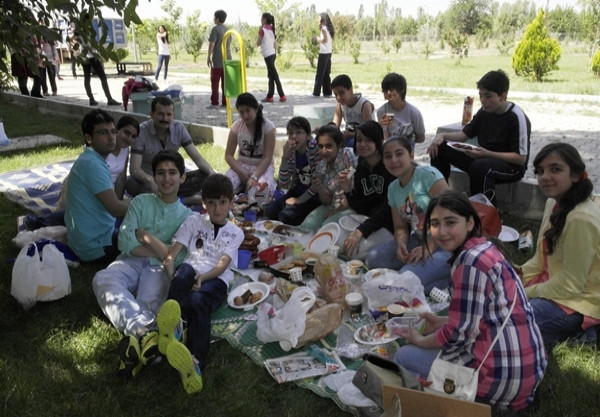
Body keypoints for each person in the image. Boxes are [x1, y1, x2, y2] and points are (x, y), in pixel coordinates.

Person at [392, 190, 547, 412]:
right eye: (435, 224)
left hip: (501, 382)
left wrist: (418, 339)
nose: (442, 232)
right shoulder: (485, 248)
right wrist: (441, 320)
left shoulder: (469, 264)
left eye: (450, 222)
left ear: (469, 222)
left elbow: (456, 335)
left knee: (404, 357)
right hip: (528, 370)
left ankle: (445, 403)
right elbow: (479, 316)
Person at [92, 150, 192, 379]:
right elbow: (124, 241)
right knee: (103, 278)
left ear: (182, 177)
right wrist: (162, 248)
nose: (166, 179)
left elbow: (176, 256)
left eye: (172, 173)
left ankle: (140, 339)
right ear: (154, 177)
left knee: (148, 303)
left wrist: (148, 237)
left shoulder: (188, 217)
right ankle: (147, 335)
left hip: (159, 269)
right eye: (161, 173)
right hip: (130, 261)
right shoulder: (140, 202)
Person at [158, 173, 244, 394]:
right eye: (212, 203)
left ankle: (195, 364)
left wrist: (203, 278)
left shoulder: (236, 233)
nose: (217, 209)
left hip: (215, 280)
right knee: (184, 270)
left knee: (197, 301)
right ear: (203, 203)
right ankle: (172, 329)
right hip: (189, 273)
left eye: (223, 202)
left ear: (231, 203)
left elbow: (224, 264)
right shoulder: (193, 221)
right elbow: (173, 254)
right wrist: (171, 274)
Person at [518, 143, 600, 349]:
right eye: (540, 171)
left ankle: (585, 331)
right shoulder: (553, 204)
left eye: (555, 169)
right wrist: (515, 276)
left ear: (575, 175)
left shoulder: (580, 218)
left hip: (579, 302)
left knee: (507, 323)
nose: (544, 176)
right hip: (555, 286)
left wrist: (522, 293)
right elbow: (540, 260)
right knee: (498, 306)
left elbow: (570, 285)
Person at [427, 69, 531, 205]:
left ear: (503, 96)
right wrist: (442, 136)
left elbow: (520, 159)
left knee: (480, 166)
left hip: (511, 167)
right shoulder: (485, 111)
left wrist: (487, 154)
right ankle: (442, 198)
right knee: (439, 148)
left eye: (488, 96)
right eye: (481, 95)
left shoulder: (516, 117)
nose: (483, 100)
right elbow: (463, 136)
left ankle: (485, 212)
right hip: (482, 158)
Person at [21, 115, 140, 231]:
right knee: (76, 216)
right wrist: (138, 206)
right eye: (126, 133)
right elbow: (113, 207)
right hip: (89, 193)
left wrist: (116, 202)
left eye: (133, 136)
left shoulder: (122, 150)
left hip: (103, 191)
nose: (128, 138)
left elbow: (121, 178)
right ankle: (37, 222)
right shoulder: (95, 158)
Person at [365, 136, 450, 294]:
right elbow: (399, 227)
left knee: (404, 280)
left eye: (399, 154)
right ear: (383, 161)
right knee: (373, 259)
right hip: (418, 239)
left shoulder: (428, 175)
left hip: (447, 242)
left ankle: (452, 274)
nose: (394, 160)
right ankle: (418, 276)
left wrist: (429, 247)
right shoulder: (393, 188)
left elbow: (451, 217)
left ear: (411, 155)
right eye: (388, 156)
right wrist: (401, 244)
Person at [321, 121, 396, 259]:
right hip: (367, 220)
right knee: (333, 241)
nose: (362, 144)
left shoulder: (390, 166)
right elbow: (361, 206)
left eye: (368, 140)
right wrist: (348, 190)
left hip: (388, 224)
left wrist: (360, 231)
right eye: (359, 139)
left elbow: (388, 209)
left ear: (379, 141)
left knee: (354, 251)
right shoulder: (360, 166)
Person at [64, 109, 130, 262]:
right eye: (103, 132)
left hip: (87, 240)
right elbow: (115, 209)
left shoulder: (92, 159)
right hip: (96, 247)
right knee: (149, 234)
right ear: (88, 138)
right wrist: (146, 204)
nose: (111, 137)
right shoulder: (92, 164)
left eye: (113, 131)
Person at [126, 96, 215, 205]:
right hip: (150, 182)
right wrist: (149, 180)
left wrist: (212, 175)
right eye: (160, 114)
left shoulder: (179, 128)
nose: (165, 118)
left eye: (168, 114)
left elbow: (197, 158)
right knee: (131, 183)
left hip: (173, 182)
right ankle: (186, 200)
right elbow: (134, 169)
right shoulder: (141, 132)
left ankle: (166, 199)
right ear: (151, 114)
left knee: (206, 175)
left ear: (174, 115)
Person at [265, 116, 321, 225]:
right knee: (270, 211)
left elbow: (318, 183)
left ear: (308, 135)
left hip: (314, 196)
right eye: (290, 133)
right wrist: (284, 158)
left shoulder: (314, 149)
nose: (294, 136)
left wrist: (299, 200)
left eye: (299, 132)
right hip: (296, 191)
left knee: (285, 216)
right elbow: (284, 183)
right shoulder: (291, 152)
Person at [300, 125, 357, 232]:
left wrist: (336, 212)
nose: (323, 151)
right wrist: (319, 187)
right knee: (307, 226)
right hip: (331, 205)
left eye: (328, 146)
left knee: (326, 228)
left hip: (350, 207)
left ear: (339, 145)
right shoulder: (321, 166)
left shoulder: (348, 156)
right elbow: (327, 201)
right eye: (320, 146)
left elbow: (354, 193)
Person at [224, 93, 276, 194]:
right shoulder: (236, 127)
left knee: (262, 191)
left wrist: (254, 177)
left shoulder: (268, 127)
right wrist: (241, 173)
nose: (245, 115)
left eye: (248, 110)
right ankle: (240, 190)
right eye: (241, 112)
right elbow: (228, 155)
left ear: (256, 109)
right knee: (224, 188)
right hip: (241, 166)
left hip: (262, 168)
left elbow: (267, 158)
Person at [75, 17, 121, 106]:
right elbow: (89, 45)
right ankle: (109, 99)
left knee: (87, 78)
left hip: (84, 56)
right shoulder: (85, 31)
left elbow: (75, 40)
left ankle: (91, 99)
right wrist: (94, 51)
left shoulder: (79, 31)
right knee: (102, 77)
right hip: (91, 56)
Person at [376, 72, 425, 143]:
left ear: (401, 90)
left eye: (392, 89)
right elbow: (385, 136)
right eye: (386, 90)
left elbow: (421, 138)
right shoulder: (384, 111)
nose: (389, 93)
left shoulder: (413, 113)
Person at [330, 74, 375, 147]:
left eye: (341, 93)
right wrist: (325, 130)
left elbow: (369, 131)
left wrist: (351, 135)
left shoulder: (364, 104)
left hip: (365, 139)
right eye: (335, 94)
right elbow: (335, 125)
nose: (338, 97)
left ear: (350, 90)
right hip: (349, 137)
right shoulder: (340, 105)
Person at [257, 13, 286, 103]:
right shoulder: (272, 30)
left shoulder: (262, 30)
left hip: (267, 55)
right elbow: (276, 45)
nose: (260, 20)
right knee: (271, 75)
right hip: (273, 54)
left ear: (265, 20)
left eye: (261, 19)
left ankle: (282, 95)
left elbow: (258, 43)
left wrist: (259, 32)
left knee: (274, 75)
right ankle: (270, 96)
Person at [207, 10, 230, 108]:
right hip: (227, 59)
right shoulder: (227, 29)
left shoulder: (215, 29)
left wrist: (208, 56)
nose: (213, 19)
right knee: (225, 82)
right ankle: (225, 102)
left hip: (217, 59)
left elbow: (212, 44)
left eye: (214, 17)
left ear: (217, 18)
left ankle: (214, 102)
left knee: (215, 81)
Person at [311, 13, 334, 98]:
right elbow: (329, 41)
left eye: (319, 18)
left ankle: (316, 93)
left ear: (323, 20)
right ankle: (327, 92)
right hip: (328, 52)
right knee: (326, 74)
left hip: (323, 53)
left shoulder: (323, 29)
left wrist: (316, 38)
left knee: (320, 73)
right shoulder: (329, 29)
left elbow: (325, 40)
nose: (318, 20)